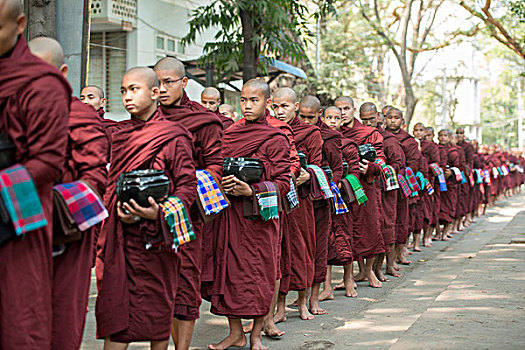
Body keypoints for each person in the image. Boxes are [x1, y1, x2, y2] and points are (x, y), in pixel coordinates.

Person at [95, 67, 196, 350]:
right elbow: (110, 183)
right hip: (120, 239)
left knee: (156, 315)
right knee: (115, 313)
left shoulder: (174, 135)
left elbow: (187, 188)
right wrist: (115, 208)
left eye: (134, 89)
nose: (127, 97)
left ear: (154, 93)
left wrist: (159, 213)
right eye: (123, 91)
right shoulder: (119, 135)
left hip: (155, 240)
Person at [29, 36, 109, 350]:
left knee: (60, 314)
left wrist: (50, 204)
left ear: (62, 73)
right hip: (16, 230)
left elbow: (94, 180)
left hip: (65, 232)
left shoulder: (80, 116)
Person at [0, 1, 71, 347]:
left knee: (18, 318)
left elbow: (48, 161)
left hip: (17, 207)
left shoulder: (41, 83)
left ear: (19, 24)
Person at [204, 79, 291, 350]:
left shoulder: (276, 137)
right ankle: (235, 333)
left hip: (259, 219)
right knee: (228, 272)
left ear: (267, 103)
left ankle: (254, 335)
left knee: (258, 275)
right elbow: (216, 167)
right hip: (230, 217)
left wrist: (251, 191)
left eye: (254, 100)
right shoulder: (229, 133)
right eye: (243, 100)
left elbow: (284, 184)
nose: (247, 105)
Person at [154, 57, 223, 350]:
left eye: (168, 82)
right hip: (151, 213)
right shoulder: (148, 116)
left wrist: (184, 186)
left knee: (184, 280)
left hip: (186, 213)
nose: (161, 88)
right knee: (157, 284)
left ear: (183, 83)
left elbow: (215, 165)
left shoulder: (202, 120)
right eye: (156, 82)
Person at [272, 88, 322, 322]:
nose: (280, 112)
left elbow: (318, 166)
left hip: (301, 201)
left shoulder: (311, 133)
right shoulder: (270, 129)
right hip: (277, 200)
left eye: (285, 107)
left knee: (302, 249)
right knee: (281, 251)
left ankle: (302, 302)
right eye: (276, 107)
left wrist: (308, 174)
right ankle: (280, 306)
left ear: (295, 107)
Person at [298, 95, 344, 311]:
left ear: (320, 115)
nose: (306, 122)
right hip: (296, 199)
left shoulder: (330, 137)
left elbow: (337, 170)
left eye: (311, 117)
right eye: (303, 117)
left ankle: (314, 298)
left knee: (318, 249)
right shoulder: (289, 131)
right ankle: (295, 300)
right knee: (297, 250)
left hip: (319, 199)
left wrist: (319, 182)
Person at [335, 97, 386, 288]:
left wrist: (370, 167)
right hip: (343, 187)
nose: (343, 113)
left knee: (370, 228)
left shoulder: (368, 133)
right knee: (347, 231)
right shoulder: (333, 133)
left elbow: (382, 161)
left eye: (346, 108)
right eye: (339, 109)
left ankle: (369, 271)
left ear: (353, 110)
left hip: (366, 187)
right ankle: (353, 274)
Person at [362, 103, 405, 279]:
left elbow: (397, 164)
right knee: (367, 228)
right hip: (367, 186)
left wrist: (380, 168)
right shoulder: (359, 134)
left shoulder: (387, 139)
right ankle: (365, 271)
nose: (369, 123)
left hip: (386, 188)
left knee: (386, 227)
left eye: (372, 119)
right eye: (364, 120)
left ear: (378, 116)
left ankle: (381, 267)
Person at [321, 106, 360, 298]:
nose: (333, 121)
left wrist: (341, 184)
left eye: (337, 118)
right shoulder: (318, 139)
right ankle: (326, 287)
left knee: (344, 238)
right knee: (325, 240)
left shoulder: (348, 144)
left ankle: (348, 279)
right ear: (323, 117)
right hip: (322, 195)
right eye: (329, 117)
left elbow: (355, 171)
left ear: (342, 121)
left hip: (342, 196)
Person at [385, 107, 422, 264]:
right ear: (385, 119)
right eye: (390, 117)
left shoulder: (409, 141)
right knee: (387, 222)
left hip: (401, 183)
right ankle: (387, 260)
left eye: (396, 117)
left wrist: (401, 174)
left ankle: (398, 255)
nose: (393, 120)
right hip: (385, 183)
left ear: (403, 121)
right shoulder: (379, 136)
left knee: (401, 220)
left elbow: (414, 164)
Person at [413, 123, 440, 248]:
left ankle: (427, 236)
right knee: (415, 212)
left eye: (421, 130)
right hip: (413, 183)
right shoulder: (410, 144)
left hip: (428, 182)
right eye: (416, 130)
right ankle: (414, 241)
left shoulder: (431, 146)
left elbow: (436, 164)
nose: (418, 133)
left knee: (428, 210)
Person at [437, 129, 459, 240]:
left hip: (450, 183)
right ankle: (437, 233)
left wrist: (451, 172)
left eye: (445, 135)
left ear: (449, 137)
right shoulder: (435, 148)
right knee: (437, 208)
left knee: (449, 207)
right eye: (440, 135)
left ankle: (445, 232)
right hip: (438, 182)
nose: (443, 138)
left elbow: (459, 167)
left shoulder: (453, 151)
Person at [456, 128, 475, 228]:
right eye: (457, 133)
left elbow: (470, 161)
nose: (459, 135)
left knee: (465, 198)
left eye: (461, 133)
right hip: (454, 173)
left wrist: (466, 171)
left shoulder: (468, 147)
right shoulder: (453, 145)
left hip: (464, 175)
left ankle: (464, 219)